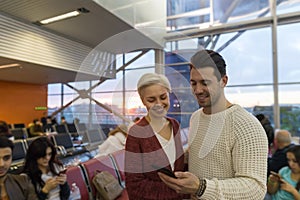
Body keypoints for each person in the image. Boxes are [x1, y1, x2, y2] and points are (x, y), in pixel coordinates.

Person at [158, 49, 268, 199]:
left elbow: (255, 189)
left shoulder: (246, 125)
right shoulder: (196, 117)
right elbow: (202, 156)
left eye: (205, 83)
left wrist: (201, 187)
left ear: (224, 81)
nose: (197, 90)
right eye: (193, 83)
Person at [125, 73, 187, 199]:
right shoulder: (136, 133)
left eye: (163, 97)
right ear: (143, 101)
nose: (159, 104)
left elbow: (176, 167)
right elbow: (134, 185)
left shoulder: (174, 125)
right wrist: (179, 190)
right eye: (151, 100)